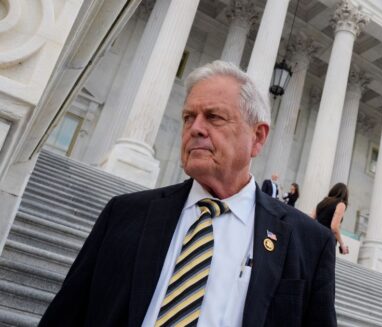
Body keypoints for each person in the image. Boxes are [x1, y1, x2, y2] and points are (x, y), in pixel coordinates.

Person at [39, 61, 336, 326]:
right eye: (188, 117)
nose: (195, 129)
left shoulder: (309, 242)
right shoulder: (124, 215)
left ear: (257, 137)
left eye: (214, 117)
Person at [312, 183, 349, 255]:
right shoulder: (341, 204)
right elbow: (334, 227)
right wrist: (342, 244)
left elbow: (311, 218)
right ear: (345, 195)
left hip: (315, 237)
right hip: (327, 240)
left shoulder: (323, 202)